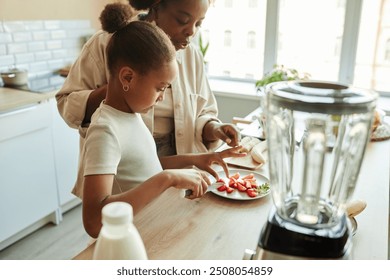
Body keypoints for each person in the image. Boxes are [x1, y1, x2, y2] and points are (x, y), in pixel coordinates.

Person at [81, 4, 245, 238]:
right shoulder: (105, 130)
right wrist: (167, 179)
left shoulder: (130, 116)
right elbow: (94, 221)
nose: (163, 96)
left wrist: (195, 159)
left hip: (153, 226)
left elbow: (144, 168)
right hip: (133, 238)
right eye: (160, 88)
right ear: (127, 77)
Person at [56, 0, 240, 157]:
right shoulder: (107, 43)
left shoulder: (192, 56)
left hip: (180, 172)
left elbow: (203, 113)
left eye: (198, 23)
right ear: (156, 6)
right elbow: (67, 105)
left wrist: (214, 128)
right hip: (120, 176)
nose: (191, 32)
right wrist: (118, 90)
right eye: (182, 20)